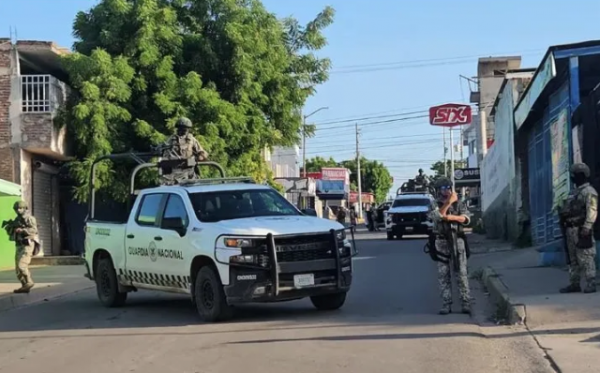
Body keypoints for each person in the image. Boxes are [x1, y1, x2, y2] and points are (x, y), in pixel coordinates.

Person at [429, 176, 471, 315]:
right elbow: (436, 216)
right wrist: (448, 202)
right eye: (442, 188)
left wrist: (450, 217)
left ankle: (466, 302)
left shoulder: (459, 202)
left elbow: (466, 219)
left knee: (461, 272)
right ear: (438, 190)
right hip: (441, 241)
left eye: (448, 188)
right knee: (443, 274)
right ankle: (446, 304)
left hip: (457, 239)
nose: (446, 190)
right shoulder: (434, 202)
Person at [559, 162, 598, 294]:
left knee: (586, 257)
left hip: (581, 229)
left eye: (575, 175)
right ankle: (574, 283)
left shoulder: (589, 192)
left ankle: (591, 282)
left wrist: (587, 226)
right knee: (573, 258)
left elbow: (592, 210)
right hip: (570, 229)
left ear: (582, 175)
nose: (573, 177)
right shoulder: (574, 193)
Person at [3, 201, 40, 293]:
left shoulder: (29, 219)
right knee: (17, 269)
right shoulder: (17, 220)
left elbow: (34, 230)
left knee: (22, 265)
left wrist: (23, 230)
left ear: (25, 208)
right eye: (16, 208)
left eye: (20, 208)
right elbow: (11, 232)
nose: (18, 210)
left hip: (27, 244)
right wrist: (10, 228)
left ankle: (29, 282)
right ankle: (24, 286)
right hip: (19, 244)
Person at [161, 117, 208, 184]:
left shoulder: (191, 140)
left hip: (189, 173)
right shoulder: (171, 140)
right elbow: (164, 156)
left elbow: (203, 154)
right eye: (182, 128)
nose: (184, 131)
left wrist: (194, 159)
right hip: (173, 174)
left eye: (186, 128)